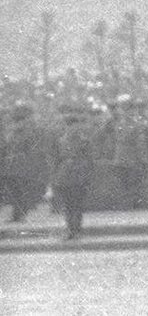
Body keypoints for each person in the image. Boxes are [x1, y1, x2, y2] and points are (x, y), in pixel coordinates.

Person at [50, 103, 98, 240]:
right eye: (70, 125)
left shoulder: (84, 141)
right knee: (67, 205)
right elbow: (55, 160)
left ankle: (76, 230)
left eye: (76, 125)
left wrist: (86, 174)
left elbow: (90, 160)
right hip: (64, 176)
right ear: (66, 126)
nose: (74, 128)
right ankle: (70, 230)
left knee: (78, 204)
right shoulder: (60, 141)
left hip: (79, 175)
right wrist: (55, 177)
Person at [4, 103, 49, 222]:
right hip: (10, 167)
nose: (17, 124)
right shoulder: (10, 134)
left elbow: (32, 151)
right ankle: (15, 216)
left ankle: (21, 215)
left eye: (20, 121)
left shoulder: (28, 134)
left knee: (21, 192)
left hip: (22, 167)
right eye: (16, 122)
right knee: (13, 192)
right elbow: (6, 149)